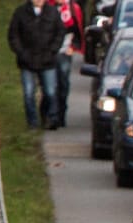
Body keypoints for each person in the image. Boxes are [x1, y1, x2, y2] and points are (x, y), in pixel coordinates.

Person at [8, 0, 67, 130]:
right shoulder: (21, 12)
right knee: (28, 93)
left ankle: (49, 118)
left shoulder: (52, 12)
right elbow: (13, 35)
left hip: (48, 60)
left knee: (50, 92)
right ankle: (32, 123)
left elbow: (60, 33)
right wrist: (22, 53)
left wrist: (52, 51)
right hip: (27, 61)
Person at [54, 0, 85, 129]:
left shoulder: (73, 8)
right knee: (50, 86)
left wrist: (74, 46)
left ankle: (61, 114)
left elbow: (78, 30)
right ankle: (51, 114)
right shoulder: (46, 7)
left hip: (65, 52)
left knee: (63, 82)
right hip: (48, 52)